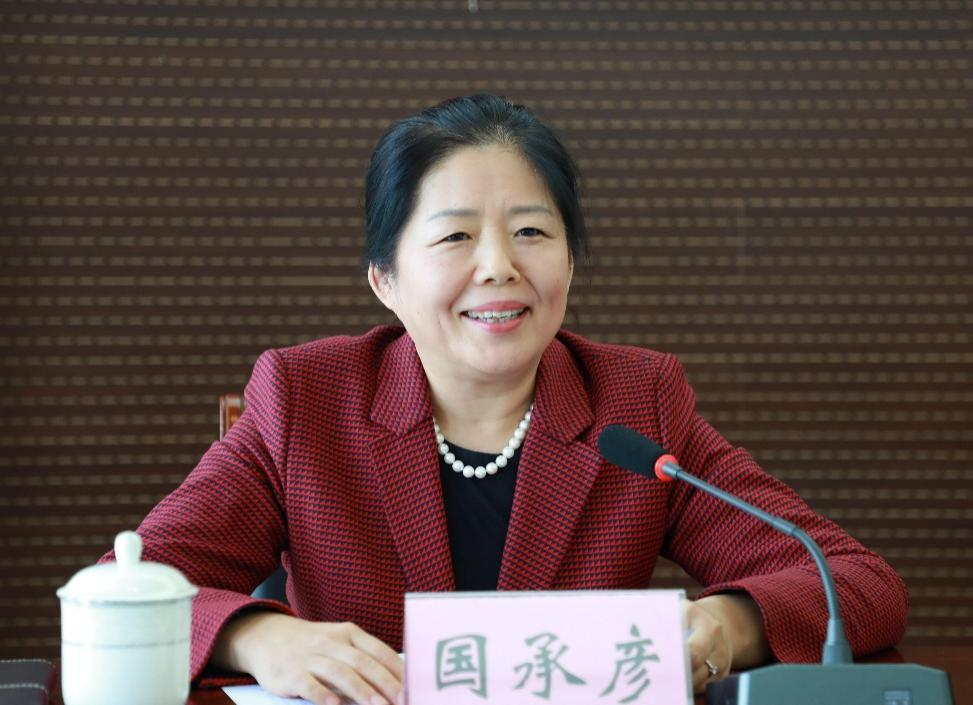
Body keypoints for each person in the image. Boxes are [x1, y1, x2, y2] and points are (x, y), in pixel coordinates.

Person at [112, 94, 908, 705]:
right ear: (385, 279)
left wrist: (722, 627)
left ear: (570, 261)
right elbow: (126, 588)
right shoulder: (306, 400)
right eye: (455, 236)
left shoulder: (635, 405)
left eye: (530, 232)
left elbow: (854, 580)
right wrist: (260, 638)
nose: (498, 265)